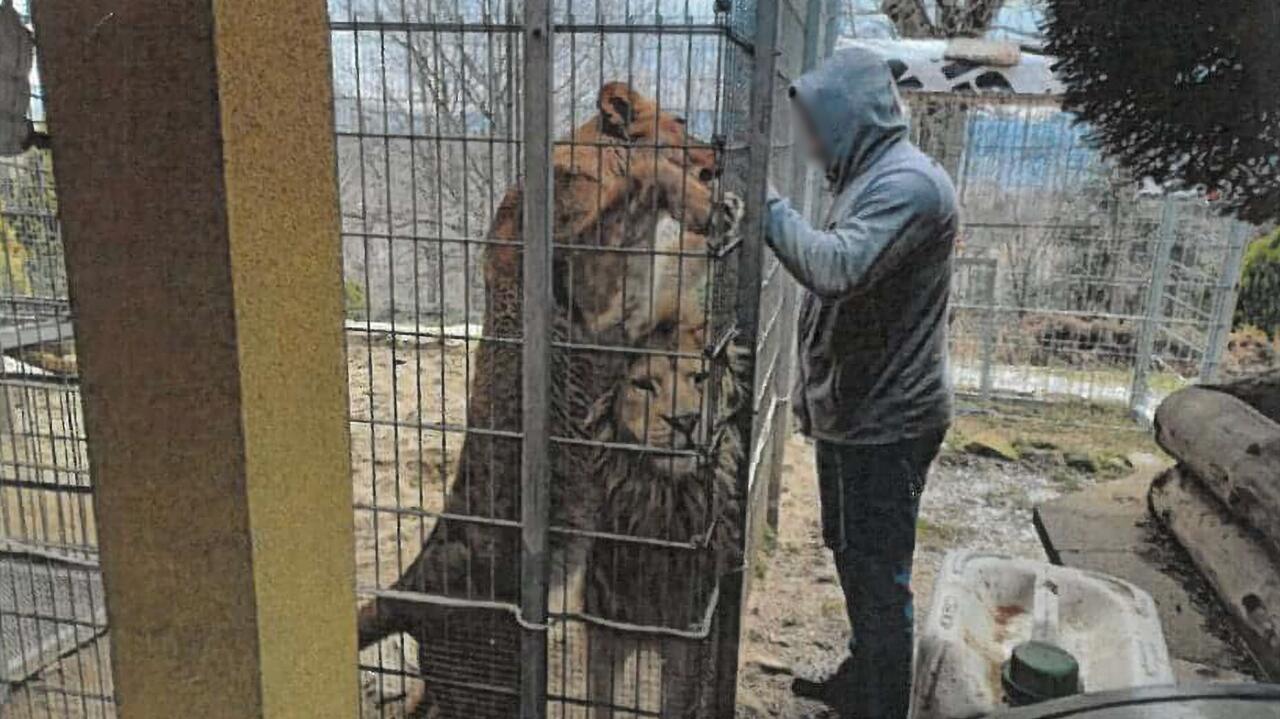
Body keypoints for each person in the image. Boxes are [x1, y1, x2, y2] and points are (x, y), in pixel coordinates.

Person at [763, 47, 958, 718]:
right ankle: (863, 676)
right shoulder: (871, 174)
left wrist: (768, 209)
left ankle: (882, 704)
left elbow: (838, 269)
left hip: (889, 425)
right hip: (858, 415)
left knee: (880, 575)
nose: (812, 145)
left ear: (853, 117)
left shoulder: (910, 186)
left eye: (818, 126)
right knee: (854, 558)